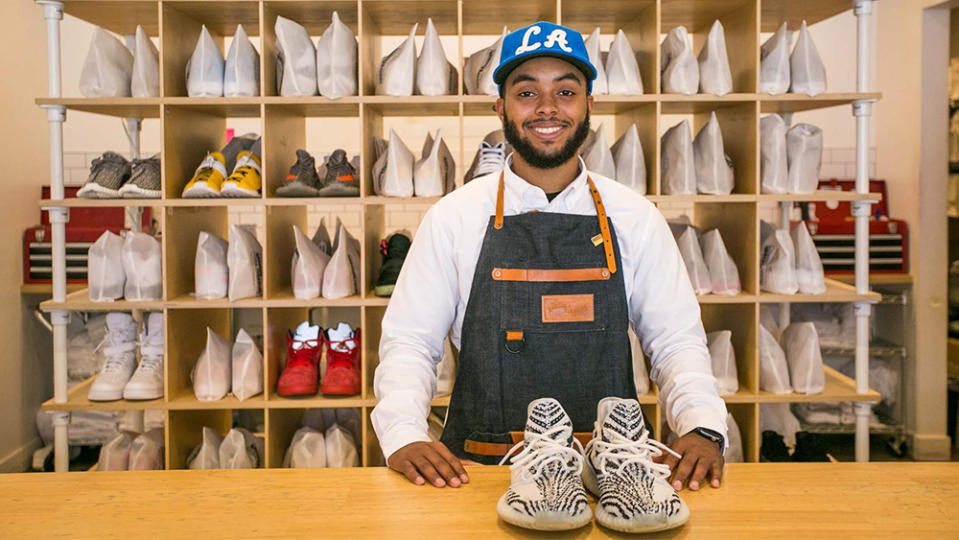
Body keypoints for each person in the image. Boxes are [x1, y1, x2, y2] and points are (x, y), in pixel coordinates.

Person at [372, 21, 728, 493]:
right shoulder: (454, 217)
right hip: (480, 476)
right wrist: (402, 433)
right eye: (526, 92)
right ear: (500, 107)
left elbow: (675, 341)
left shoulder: (634, 216)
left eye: (565, 91)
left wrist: (702, 424)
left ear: (588, 106)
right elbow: (411, 344)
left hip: (612, 478)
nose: (547, 108)